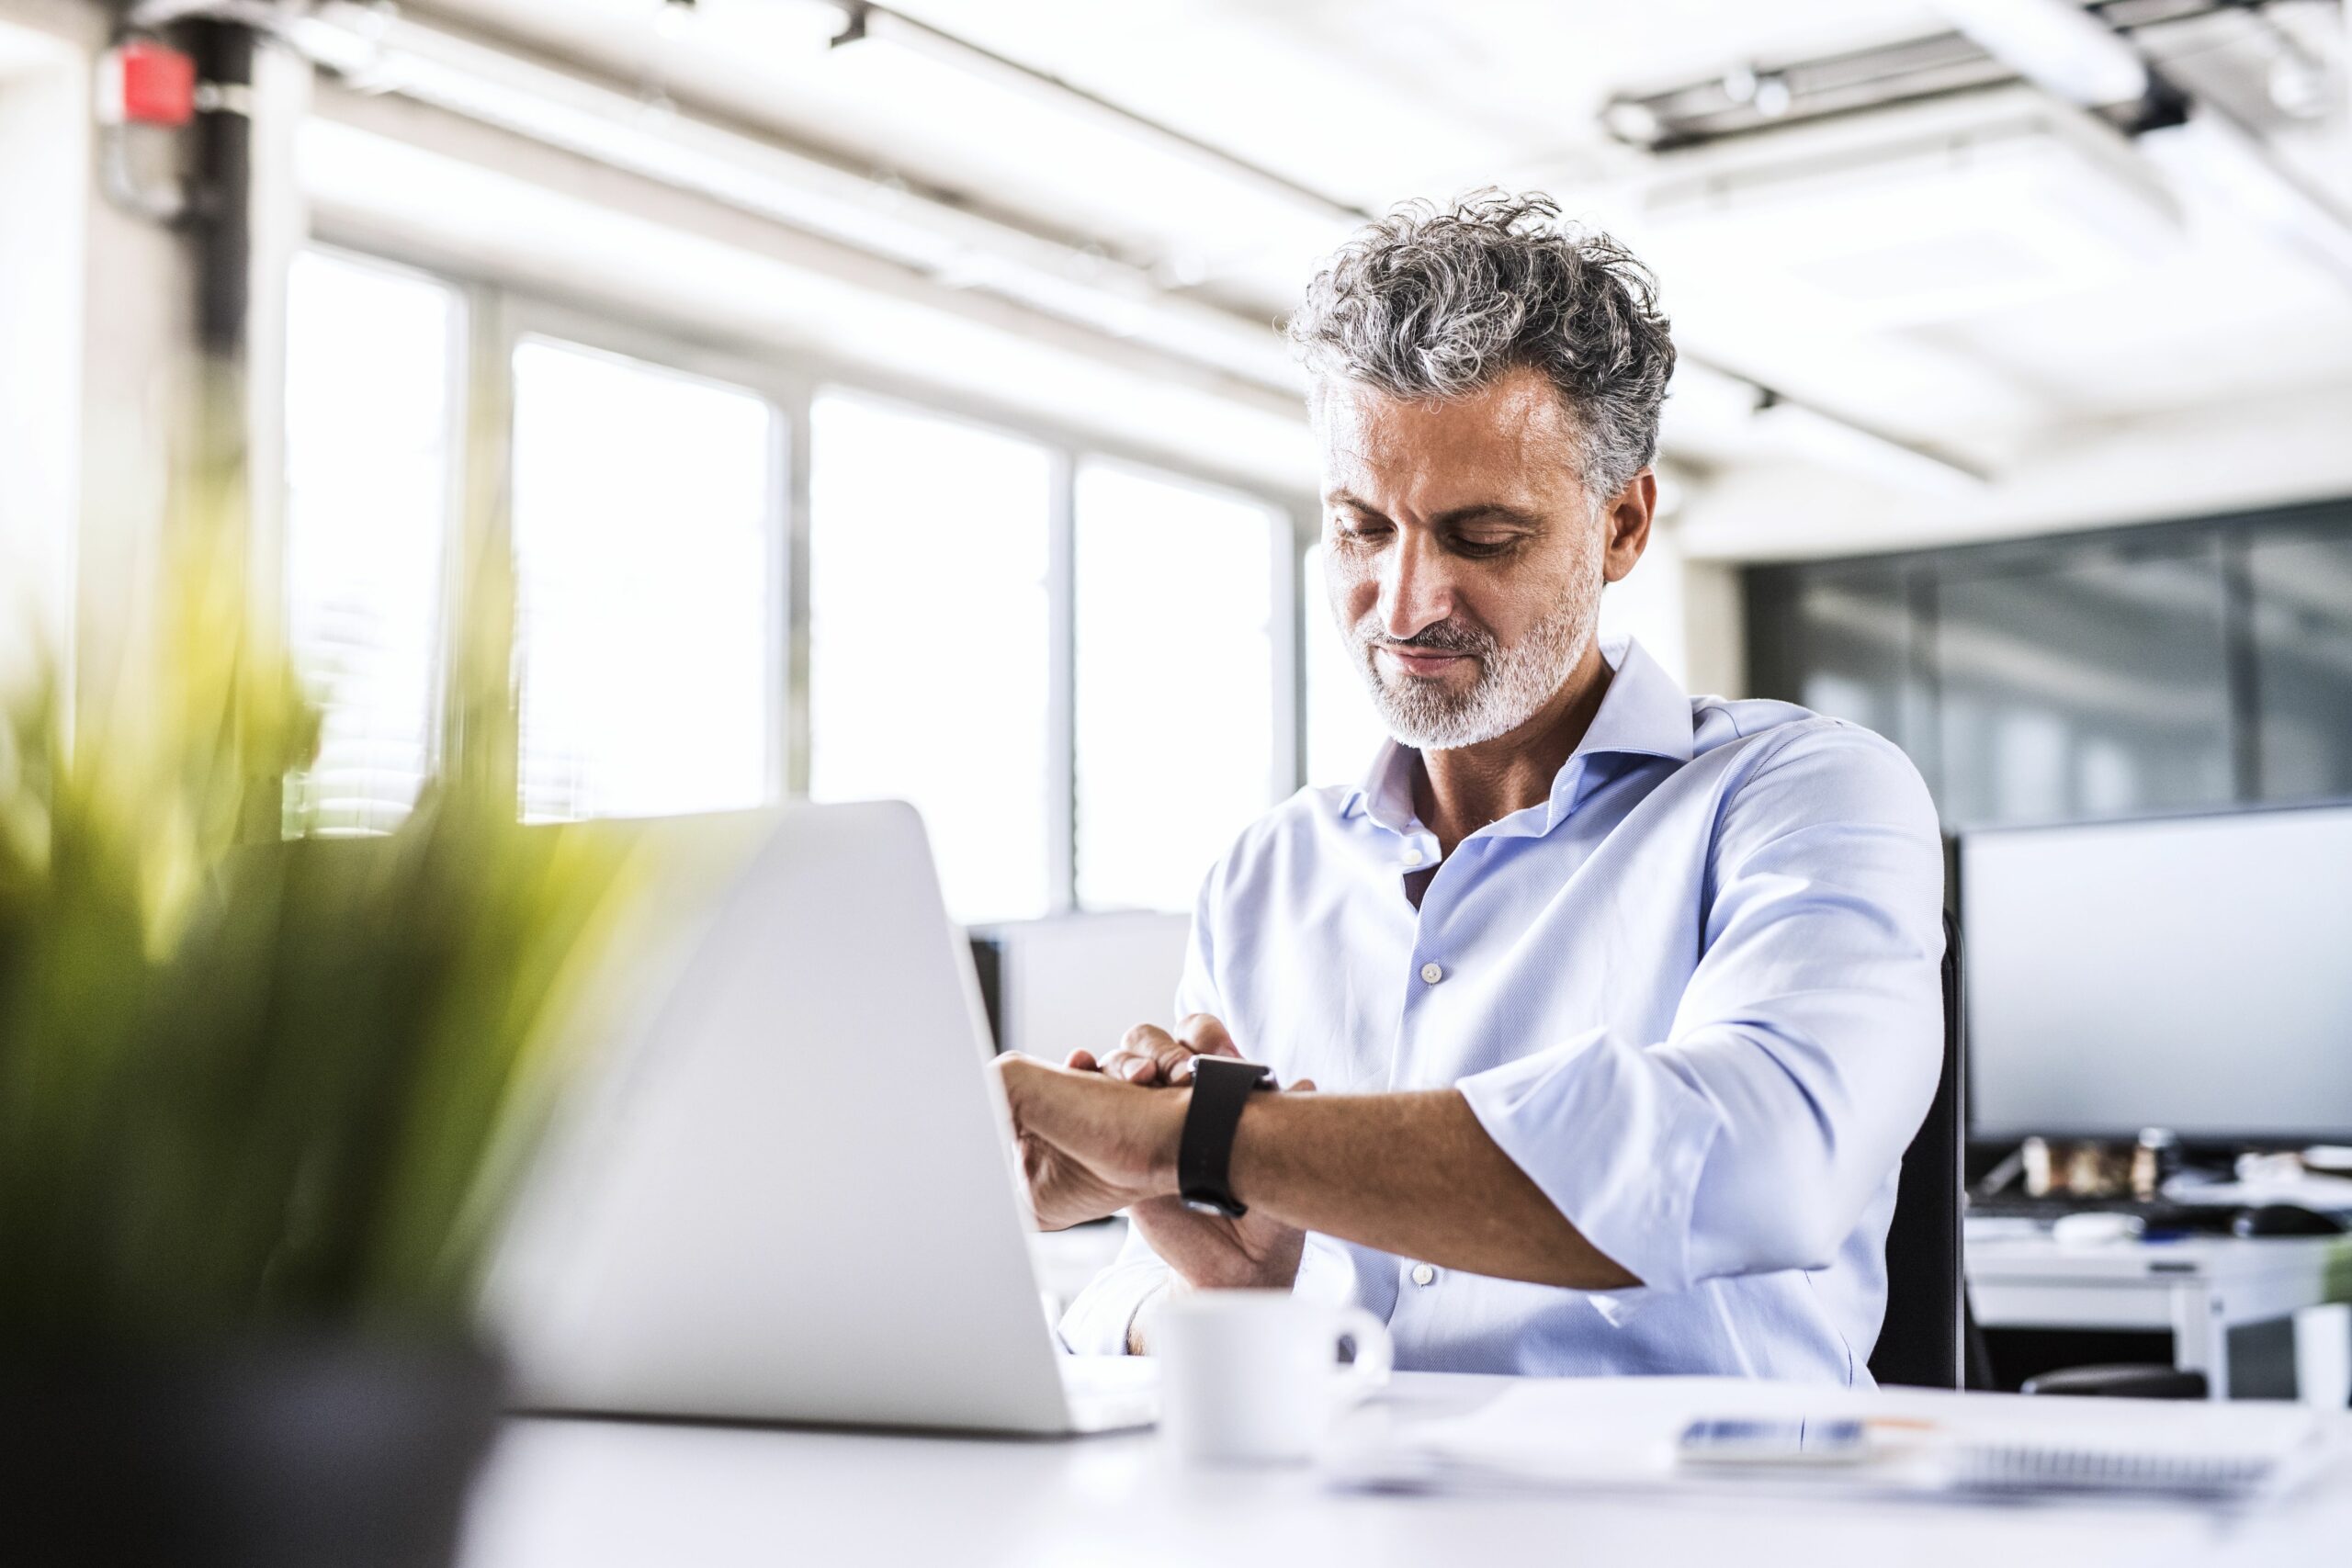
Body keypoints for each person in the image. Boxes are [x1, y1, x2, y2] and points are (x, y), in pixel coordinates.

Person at [992, 191, 1944, 1382]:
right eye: (1359, 528)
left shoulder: (1800, 795)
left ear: (1623, 524)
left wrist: (1218, 1137)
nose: (1403, 606)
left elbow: (1755, 1159)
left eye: (1482, 536)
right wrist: (1237, 1286)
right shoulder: (1269, 874)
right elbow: (1134, 1292)